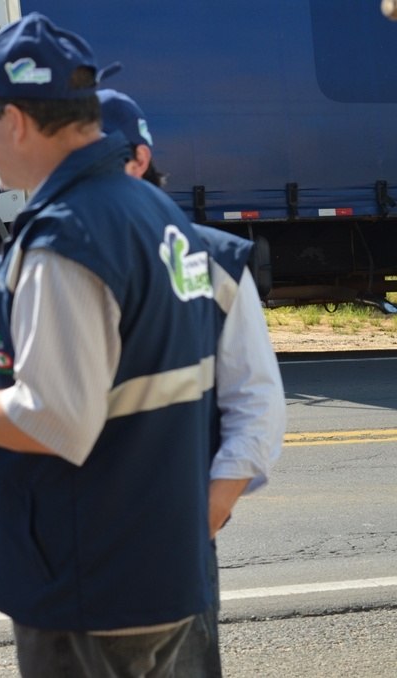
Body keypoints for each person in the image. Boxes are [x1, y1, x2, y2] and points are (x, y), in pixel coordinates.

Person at [0, 13, 223, 676]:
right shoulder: (153, 213)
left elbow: (58, 419)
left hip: (92, 581)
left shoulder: (66, 237)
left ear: (16, 120)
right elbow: (110, 379)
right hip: (167, 569)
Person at [99, 87, 286, 676]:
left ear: (137, 160)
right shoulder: (61, 256)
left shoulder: (212, 260)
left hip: (173, 541)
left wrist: (197, 524)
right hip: (76, 547)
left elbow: (255, 403)